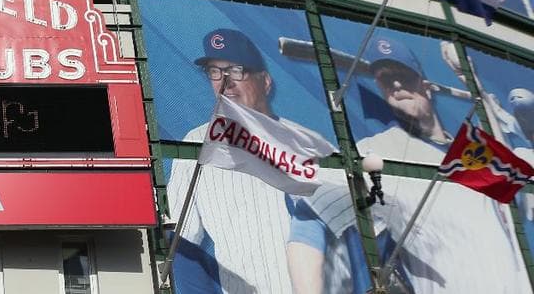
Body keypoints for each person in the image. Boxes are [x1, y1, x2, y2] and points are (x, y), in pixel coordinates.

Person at [166, 28, 357, 294]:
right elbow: (181, 242)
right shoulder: (196, 142)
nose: (225, 82)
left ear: (266, 81)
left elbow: (352, 238)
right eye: (215, 72)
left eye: (237, 71)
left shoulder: (311, 146)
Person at [354, 37, 451, 164]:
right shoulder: (370, 150)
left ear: (427, 88)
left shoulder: (466, 153)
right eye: (386, 79)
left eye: (404, 76)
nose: (397, 84)